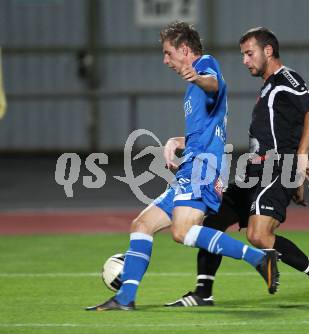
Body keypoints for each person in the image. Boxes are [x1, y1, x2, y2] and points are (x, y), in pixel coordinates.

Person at [86, 22, 280, 311]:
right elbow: (207, 128)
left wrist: (199, 77)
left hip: (204, 168)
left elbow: (214, 84)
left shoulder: (205, 65)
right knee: (142, 224)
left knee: (182, 231)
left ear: (184, 50)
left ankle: (258, 258)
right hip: (191, 165)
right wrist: (177, 140)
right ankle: (125, 298)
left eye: (168, 53)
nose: (165, 60)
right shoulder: (191, 90)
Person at [165, 27, 309, 307]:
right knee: (210, 223)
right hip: (254, 173)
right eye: (243, 55)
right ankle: (203, 292)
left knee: (258, 235)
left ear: (268, 51)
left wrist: (303, 156)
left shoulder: (286, 78)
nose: (245, 60)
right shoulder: (269, 87)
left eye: (249, 53)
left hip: (277, 169)